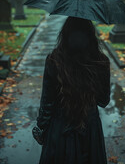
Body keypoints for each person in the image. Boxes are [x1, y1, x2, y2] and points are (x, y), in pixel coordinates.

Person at [34, 16, 110, 164]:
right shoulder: (101, 61)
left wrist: (41, 128)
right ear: (91, 34)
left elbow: (47, 103)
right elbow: (103, 101)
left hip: (60, 130)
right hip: (90, 131)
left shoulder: (54, 60)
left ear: (65, 33)